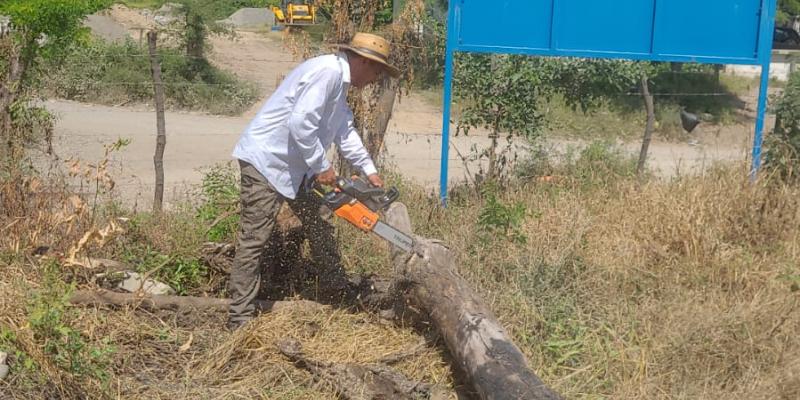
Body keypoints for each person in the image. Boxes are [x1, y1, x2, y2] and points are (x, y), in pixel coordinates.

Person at [227, 32, 400, 330]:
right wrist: (322, 166)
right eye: (376, 70)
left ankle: (335, 290)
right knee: (254, 239)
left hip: (296, 169)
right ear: (362, 61)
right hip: (268, 161)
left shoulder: (339, 85)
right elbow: (301, 123)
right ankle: (239, 316)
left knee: (320, 224)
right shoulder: (327, 73)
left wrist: (369, 170)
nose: (375, 78)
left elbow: (344, 132)